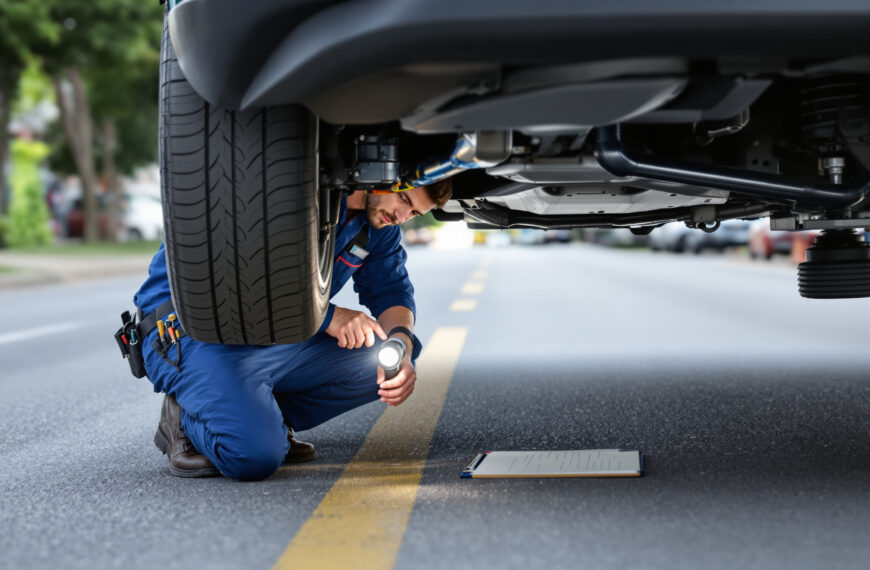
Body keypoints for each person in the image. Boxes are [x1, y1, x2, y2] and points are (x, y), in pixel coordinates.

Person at [133, 180, 452, 480]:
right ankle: (186, 416)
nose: (400, 216)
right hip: (196, 331)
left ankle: (259, 413)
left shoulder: (378, 225)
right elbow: (235, 280)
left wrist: (402, 346)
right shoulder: (285, 188)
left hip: (273, 334)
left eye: (413, 213)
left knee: (389, 353)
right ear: (385, 174)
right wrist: (329, 316)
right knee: (254, 457)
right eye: (404, 200)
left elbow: (392, 294)